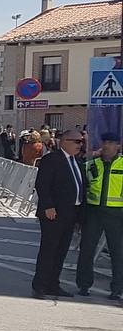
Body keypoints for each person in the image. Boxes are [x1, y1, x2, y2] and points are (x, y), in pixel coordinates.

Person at [32, 129, 86, 299]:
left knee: (61, 251)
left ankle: (53, 284)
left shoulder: (76, 161)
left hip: (71, 213)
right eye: (77, 142)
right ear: (64, 142)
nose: (80, 145)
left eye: (82, 142)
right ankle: (40, 285)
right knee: (49, 249)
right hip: (53, 213)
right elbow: (42, 184)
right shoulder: (52, 159)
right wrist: (48, 206)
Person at [76, 132, 123, 301]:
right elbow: (82, 189)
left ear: (118, 146)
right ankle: (83, 284)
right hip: (94, 212)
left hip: (116, 213)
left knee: (117, 253)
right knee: (87, 249)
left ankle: (117, 288)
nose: (107, 146)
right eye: (105, 142)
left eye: (111, 142)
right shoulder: (92, 165)